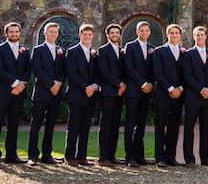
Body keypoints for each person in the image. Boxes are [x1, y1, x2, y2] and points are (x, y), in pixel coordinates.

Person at [0, 22, 31, 166]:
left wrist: (21, 85)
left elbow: (28, 70)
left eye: (16, 32)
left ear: (20, 33)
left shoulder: (25, 50)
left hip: (18, 94)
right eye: (11, 32)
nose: (14, 34)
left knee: (13, 126)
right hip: (1, 93)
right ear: (6, 33)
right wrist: (15, 84)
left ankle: (11, 155)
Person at [28, 22, 65, 166]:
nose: (53, 34)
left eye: (56, 32)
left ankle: (47, 155)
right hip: (42, 93)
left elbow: (64, 70)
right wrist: (51, 85)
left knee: (50, 125)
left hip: (56, 94)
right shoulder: (38, 50)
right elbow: (37, 70)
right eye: (51, 32)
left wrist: (59, 83)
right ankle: (32, 155)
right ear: (45, 33)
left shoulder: (61, 50)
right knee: (36, 124)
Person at [182, 26, 208, 167]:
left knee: (205, 128)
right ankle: (189, 159)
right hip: (192, 97)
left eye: (202, 34)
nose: (200, 37)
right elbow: (187, 75)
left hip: (207, 98)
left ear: (206, 36)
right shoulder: (188, 54)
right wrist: (201, 88)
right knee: (189, 128)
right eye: (197, 35)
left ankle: (205, 158)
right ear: (194, 37)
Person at [64, 24, 99, 166]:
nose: (87, 37)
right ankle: (69, 156)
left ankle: (81, 156)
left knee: (85, 126)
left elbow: (98, 73)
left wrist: (95, 86)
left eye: (90, 35)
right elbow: (71, 73)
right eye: (85, 34)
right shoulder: (72, 52)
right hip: (76, 94)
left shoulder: (94, 53)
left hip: (90, 96)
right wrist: (86, 87)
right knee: (73, 126)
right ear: (80, 35)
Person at [122, 21, 156, 167]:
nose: (144, 32)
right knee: (130, 125)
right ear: (137, 32)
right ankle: (130, 157)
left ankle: (140, 155)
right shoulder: (130, 46)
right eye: (142, 30)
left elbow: (154, 69)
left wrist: (150, 84)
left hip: (146, 92)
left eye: (147, 30)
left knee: (141, 125)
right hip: (133, 91)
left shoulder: (152, 48)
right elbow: (129, 68)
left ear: (149, 32)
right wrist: (143, 84)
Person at [153, 24, 185, 167]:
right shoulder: (159, 51)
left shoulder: (184, 53)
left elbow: (186, 73)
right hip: (163, 94)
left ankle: (171, 157)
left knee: (174, 126)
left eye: (176, 33)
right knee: (160, 126)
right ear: (167, 34)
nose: (174, 35)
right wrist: (171, 88)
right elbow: (157, 72)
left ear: (179, 35)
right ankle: (160, 157)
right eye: (171, 33)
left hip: (179, 95)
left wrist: (180, 88)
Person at [96, 23, 126, 167]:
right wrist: (119, 84)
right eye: (112, 33)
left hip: (120, 93)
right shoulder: (103, 50)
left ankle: (112, 155)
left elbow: (125, 70)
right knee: (106, 124)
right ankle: (103, 157)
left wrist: (122, 86)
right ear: (107, 35)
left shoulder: (122, 51)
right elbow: (104, 71)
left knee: (115, 125)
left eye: (117, 33)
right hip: (108, 93)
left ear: (120, 35)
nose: (115, 35)